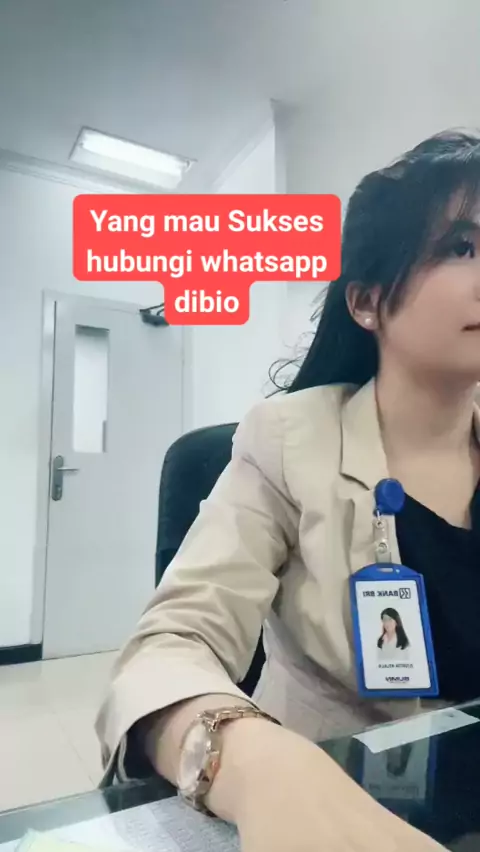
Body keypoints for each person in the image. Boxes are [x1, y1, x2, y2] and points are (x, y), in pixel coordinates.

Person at [95, 128, 480, 851]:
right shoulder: (287, 440)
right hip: (333, 810)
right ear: (367, 302)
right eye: (462, 247)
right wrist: (258, 766)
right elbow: (168, 645)